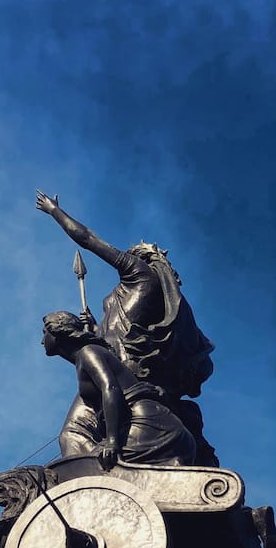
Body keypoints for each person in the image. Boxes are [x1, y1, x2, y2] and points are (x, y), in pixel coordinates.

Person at [36, 191, 217, 465]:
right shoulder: (143, 295)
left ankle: (95, 471)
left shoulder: (138, 273)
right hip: (116, 368)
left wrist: (55, 212)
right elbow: (115, 335)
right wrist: (94, 330)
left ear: (140, 258)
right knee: (73, 434)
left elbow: (89, 239)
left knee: (72, 434)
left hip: (117, 376)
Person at [42, 311, 196, 469]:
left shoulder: (88, 352)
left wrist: (112, 441)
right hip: (156, 427)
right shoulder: (86, 356)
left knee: (89, 466)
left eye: (44, 332)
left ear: (57, 331)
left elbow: (110, 388)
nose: (42, 341)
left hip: (150, 429)